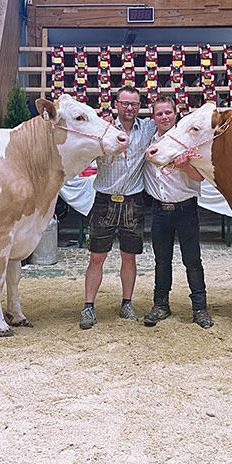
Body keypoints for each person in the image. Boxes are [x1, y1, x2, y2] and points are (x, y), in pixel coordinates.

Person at [80, 86, 156, 330]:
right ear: (116, 104)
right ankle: (89, 306)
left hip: (133, 201)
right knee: (96, 257)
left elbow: (170, 127)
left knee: (129, 257)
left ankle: (127, 303)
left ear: (140, 106)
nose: (129, 108)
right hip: (104, 199)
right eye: (125, 103)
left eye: (134, 104)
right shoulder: (102, 129)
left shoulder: (147, 128)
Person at [143, 94, 212, 329]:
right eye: (159, 113)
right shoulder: (150, 142)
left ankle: (199, 308)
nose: (164, 117)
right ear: (153, 117)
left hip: (185, 209)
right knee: (162, 261)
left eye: (168, 113)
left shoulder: (187, 142)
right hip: (159, 210)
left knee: (192, 260)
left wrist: (184, 165)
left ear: (176, 114)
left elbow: (199, 177)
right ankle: (160, 304)